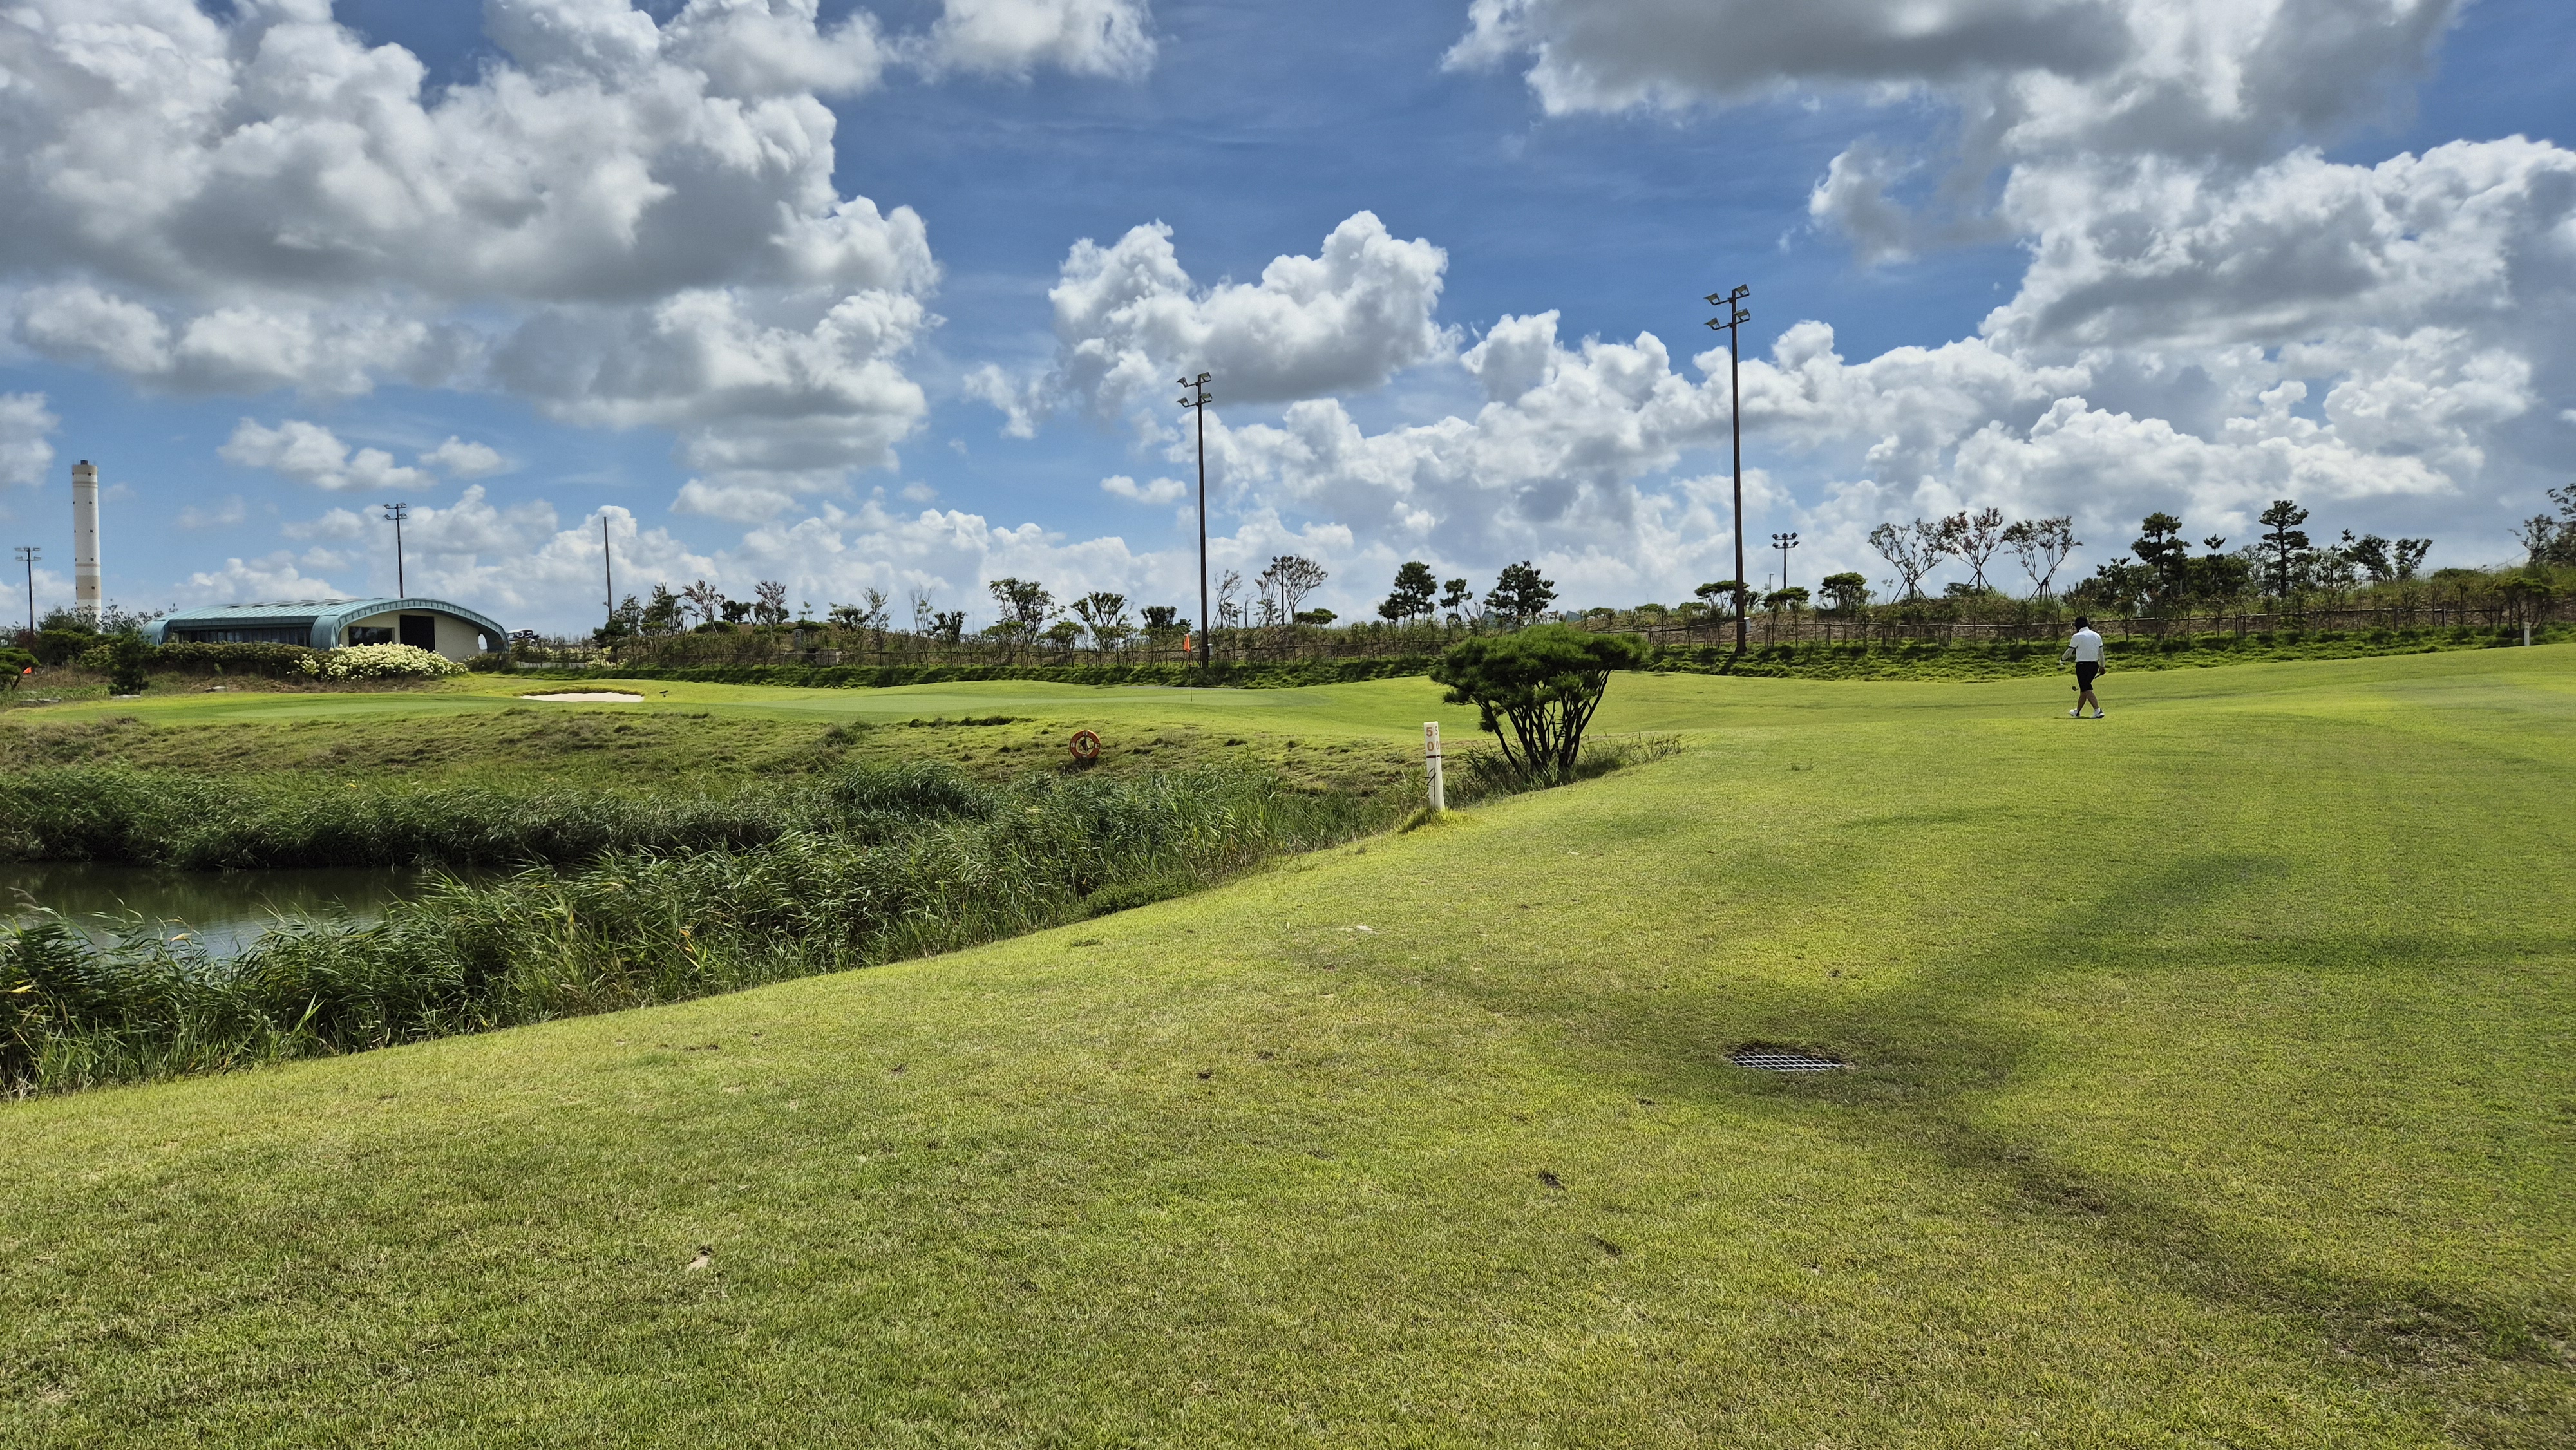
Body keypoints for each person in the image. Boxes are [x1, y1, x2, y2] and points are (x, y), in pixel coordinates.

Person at [2060, 616, 2105, 718]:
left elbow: (2069, 652)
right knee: (2084, 689)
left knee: (2087, 688)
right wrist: (2102, 666)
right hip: (2094, 665)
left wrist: (2062, 659)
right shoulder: (2097, 635)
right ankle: (2077, 712)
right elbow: (2101, 654)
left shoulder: (2077, 636)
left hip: (2082, 666)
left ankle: (2097, 710)